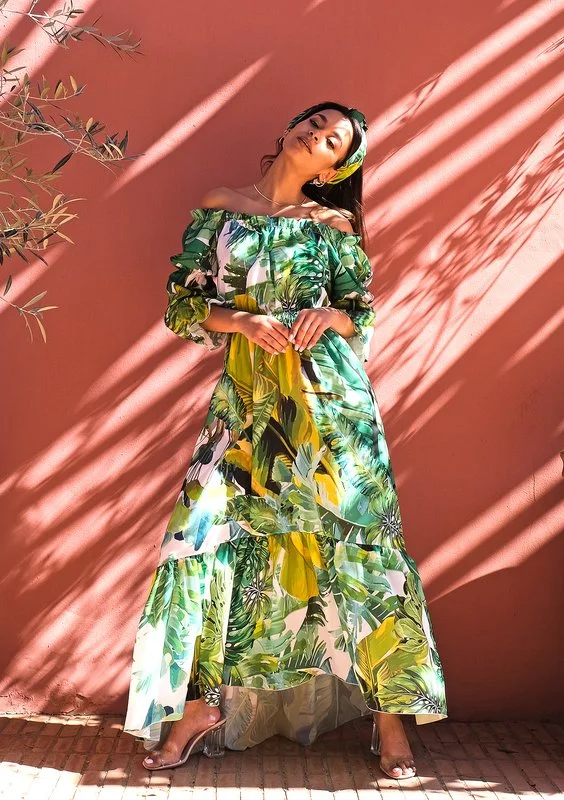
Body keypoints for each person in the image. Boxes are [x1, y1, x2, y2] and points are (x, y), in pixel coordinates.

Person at [123, 101, 447, 780]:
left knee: (358, 545)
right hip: (246, 406)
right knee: (205, 538)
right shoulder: (220, 206)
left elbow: (361, 315)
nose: (318, 136)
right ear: (291, 129)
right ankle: (199, 707)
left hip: (331, 406)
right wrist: (241, 323)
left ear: (335, 169)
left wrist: (330, 316)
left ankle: (391, 718)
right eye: (316, 123)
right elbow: (181, 305)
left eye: (334, 141)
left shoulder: (333, 225)